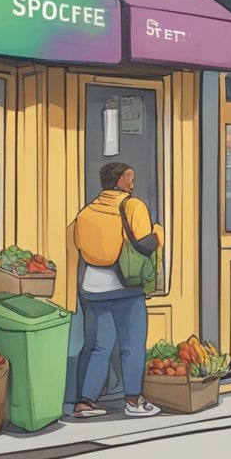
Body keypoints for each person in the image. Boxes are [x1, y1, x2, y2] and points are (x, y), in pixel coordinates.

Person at [69, 163, 163, 419]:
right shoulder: (132, 205)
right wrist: (159, 232)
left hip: (93, 286)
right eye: (129, 178)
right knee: (132, 345)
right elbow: (145, 243)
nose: (132, 183)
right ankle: (133, 400)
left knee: (100, 345)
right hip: (125, 287)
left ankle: (85, 403)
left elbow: (78, 243)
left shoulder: (87, 211)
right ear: (119, 180)